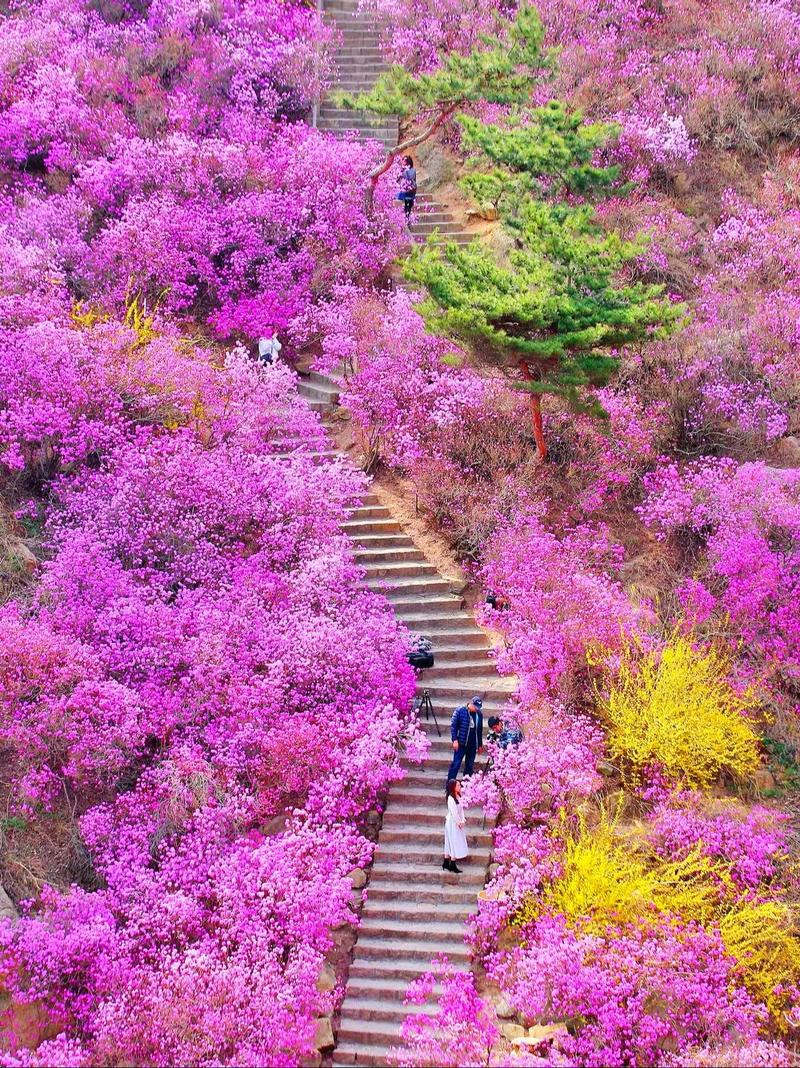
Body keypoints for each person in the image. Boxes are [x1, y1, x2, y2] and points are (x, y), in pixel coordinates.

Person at [447, 696, 483, 783]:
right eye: (475, 707)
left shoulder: (479, 714)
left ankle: (466, 786)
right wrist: (454, 740)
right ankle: (450, 785)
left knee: (469, 766)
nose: (476, 709)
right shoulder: (460, 710)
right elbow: (454, 726)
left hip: (472, 744)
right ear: (470, 704)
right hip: (461, 743)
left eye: (478, 707)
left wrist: (480, 745)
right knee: (456, 764)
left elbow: (479, 730)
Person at [443, 778, 468, 873]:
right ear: (453, 787)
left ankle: (447, 862)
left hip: (457, 822)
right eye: (457, 785)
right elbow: (454, 813)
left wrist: (463, 820)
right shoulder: (450, 798)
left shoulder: (458, 796)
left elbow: (461, 810)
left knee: (453, 840)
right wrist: (459, 823)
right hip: (452, 823)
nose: (459, 787)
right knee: (452, 841)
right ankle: (452, 863)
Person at [395, 155, 417, 224]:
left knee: (409, 204)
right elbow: (397, 178)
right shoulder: (402, 169)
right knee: (403, 203)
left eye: (404, 161)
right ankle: (404, 218)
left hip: (410, 190)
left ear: (408, 162)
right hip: (404, 189)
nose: (402, 162)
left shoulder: (412, 170)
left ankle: (407, 219)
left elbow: (410, 178)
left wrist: (406, 171)